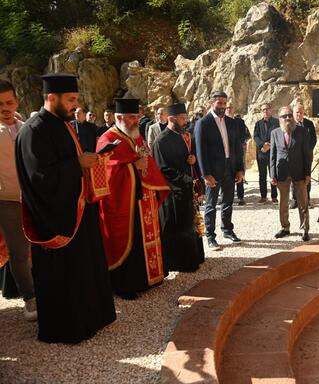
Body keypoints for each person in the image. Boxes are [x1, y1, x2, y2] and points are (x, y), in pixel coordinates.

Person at [15, 73, 115, 343]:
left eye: (76, 99)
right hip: (57, 217)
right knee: (66, 276)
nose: (75, 105)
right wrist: (78, 164)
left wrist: (89, 162)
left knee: (86, 267)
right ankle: (68, 327)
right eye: (70, 100)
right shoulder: (34, 130)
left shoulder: (62, 124)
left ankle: (93, 317)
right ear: (51, 97)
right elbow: (40, 179)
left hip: (78, 208)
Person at [96, 98, 170, 300]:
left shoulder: (135, 135)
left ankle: (150, 277)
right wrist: (132, 167)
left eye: (137, 117)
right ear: (119, 117)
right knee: (128, 240)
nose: (136, 121)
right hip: (122, 203)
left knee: (144, 239)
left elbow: (147, 160)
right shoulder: (107, 139)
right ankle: (126, 284)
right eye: (131, 117)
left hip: (143, 198)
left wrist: (148, 177)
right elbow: (105, 175)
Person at [152, 103, 205, 272]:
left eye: (186, 118)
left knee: (190, 224)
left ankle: (195, 257)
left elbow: (189, 158)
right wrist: (187, 180)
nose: (186, 121)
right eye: (182, 118)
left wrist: (192, 159)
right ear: (171, 119)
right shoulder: (161, 141)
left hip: (187, 188)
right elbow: (163, 169)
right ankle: (181, 263)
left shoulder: (182, 136)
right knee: (178, 227)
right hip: (173, 193)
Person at [0, 79, 36, 320]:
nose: (5, 108)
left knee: (37, 248)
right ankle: (30, 298)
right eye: (0, 104)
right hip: (6, 200)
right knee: (19, 251)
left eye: (9, 102)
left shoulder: (27, 128)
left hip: (31, 200)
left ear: (17, 102)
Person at [195, 91, 244, 251]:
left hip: (230, 168)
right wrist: (205, 174)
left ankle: (227, 230)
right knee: (211, 205)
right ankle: (210, 236)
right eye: (219, 103)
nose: (223, 106)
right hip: (213, 171)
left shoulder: (232, 122)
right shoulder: (203, 123)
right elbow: (200, 151)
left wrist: (240, 169)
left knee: (228, 202)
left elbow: (237, 148)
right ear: (211, 103)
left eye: (224, 103)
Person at [270, 106, 312, 242]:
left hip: (299, 172)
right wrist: (272, 174)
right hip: (281, 172)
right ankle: (285, 227)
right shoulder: (275, 133)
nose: (287, 118)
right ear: (279, 119)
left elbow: (307, 154)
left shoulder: (302, 131)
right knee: (283, 202)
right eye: (284, 116)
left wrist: (307, 173)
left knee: (303, 202)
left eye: (289, 115)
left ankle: (305, 229)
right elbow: (273, 155)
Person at [290, 103, 316, 209]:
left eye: (301, 112)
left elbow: (314, 139)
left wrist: (307, 151)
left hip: (307, 156)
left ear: (304, 112)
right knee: (293, 178)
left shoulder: (309, 124)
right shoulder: (290, 124)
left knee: (307, 177)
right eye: (297, 112)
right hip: (294, 157)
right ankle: (295, 199)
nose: (299, 114)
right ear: (293, 113)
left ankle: (307, 199)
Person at [253, 103, 279, 204]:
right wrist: (263, 145)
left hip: (273, 152)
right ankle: (263, 196)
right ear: (261, 112)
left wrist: (270, 145)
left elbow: (278, 135)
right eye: (263, 110)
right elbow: (255, 137)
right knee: (262, 175)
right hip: (262, 153)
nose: (265, 111)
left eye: (267, 109)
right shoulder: (258, 123)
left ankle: (274, 196)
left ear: (270, 110)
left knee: (273, 174)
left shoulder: (276, 122)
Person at [226, 102, 250, 205]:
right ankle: (227, 197)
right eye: (227, 107)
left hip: (238, 151)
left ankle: (241, 197)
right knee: (227, 175)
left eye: (230, 107)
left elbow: (245, 135)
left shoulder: (239, 122)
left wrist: (241, 144)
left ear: (234, 109)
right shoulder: (221, 121)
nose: (228, 109)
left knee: (240, 172)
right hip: (226, 152)